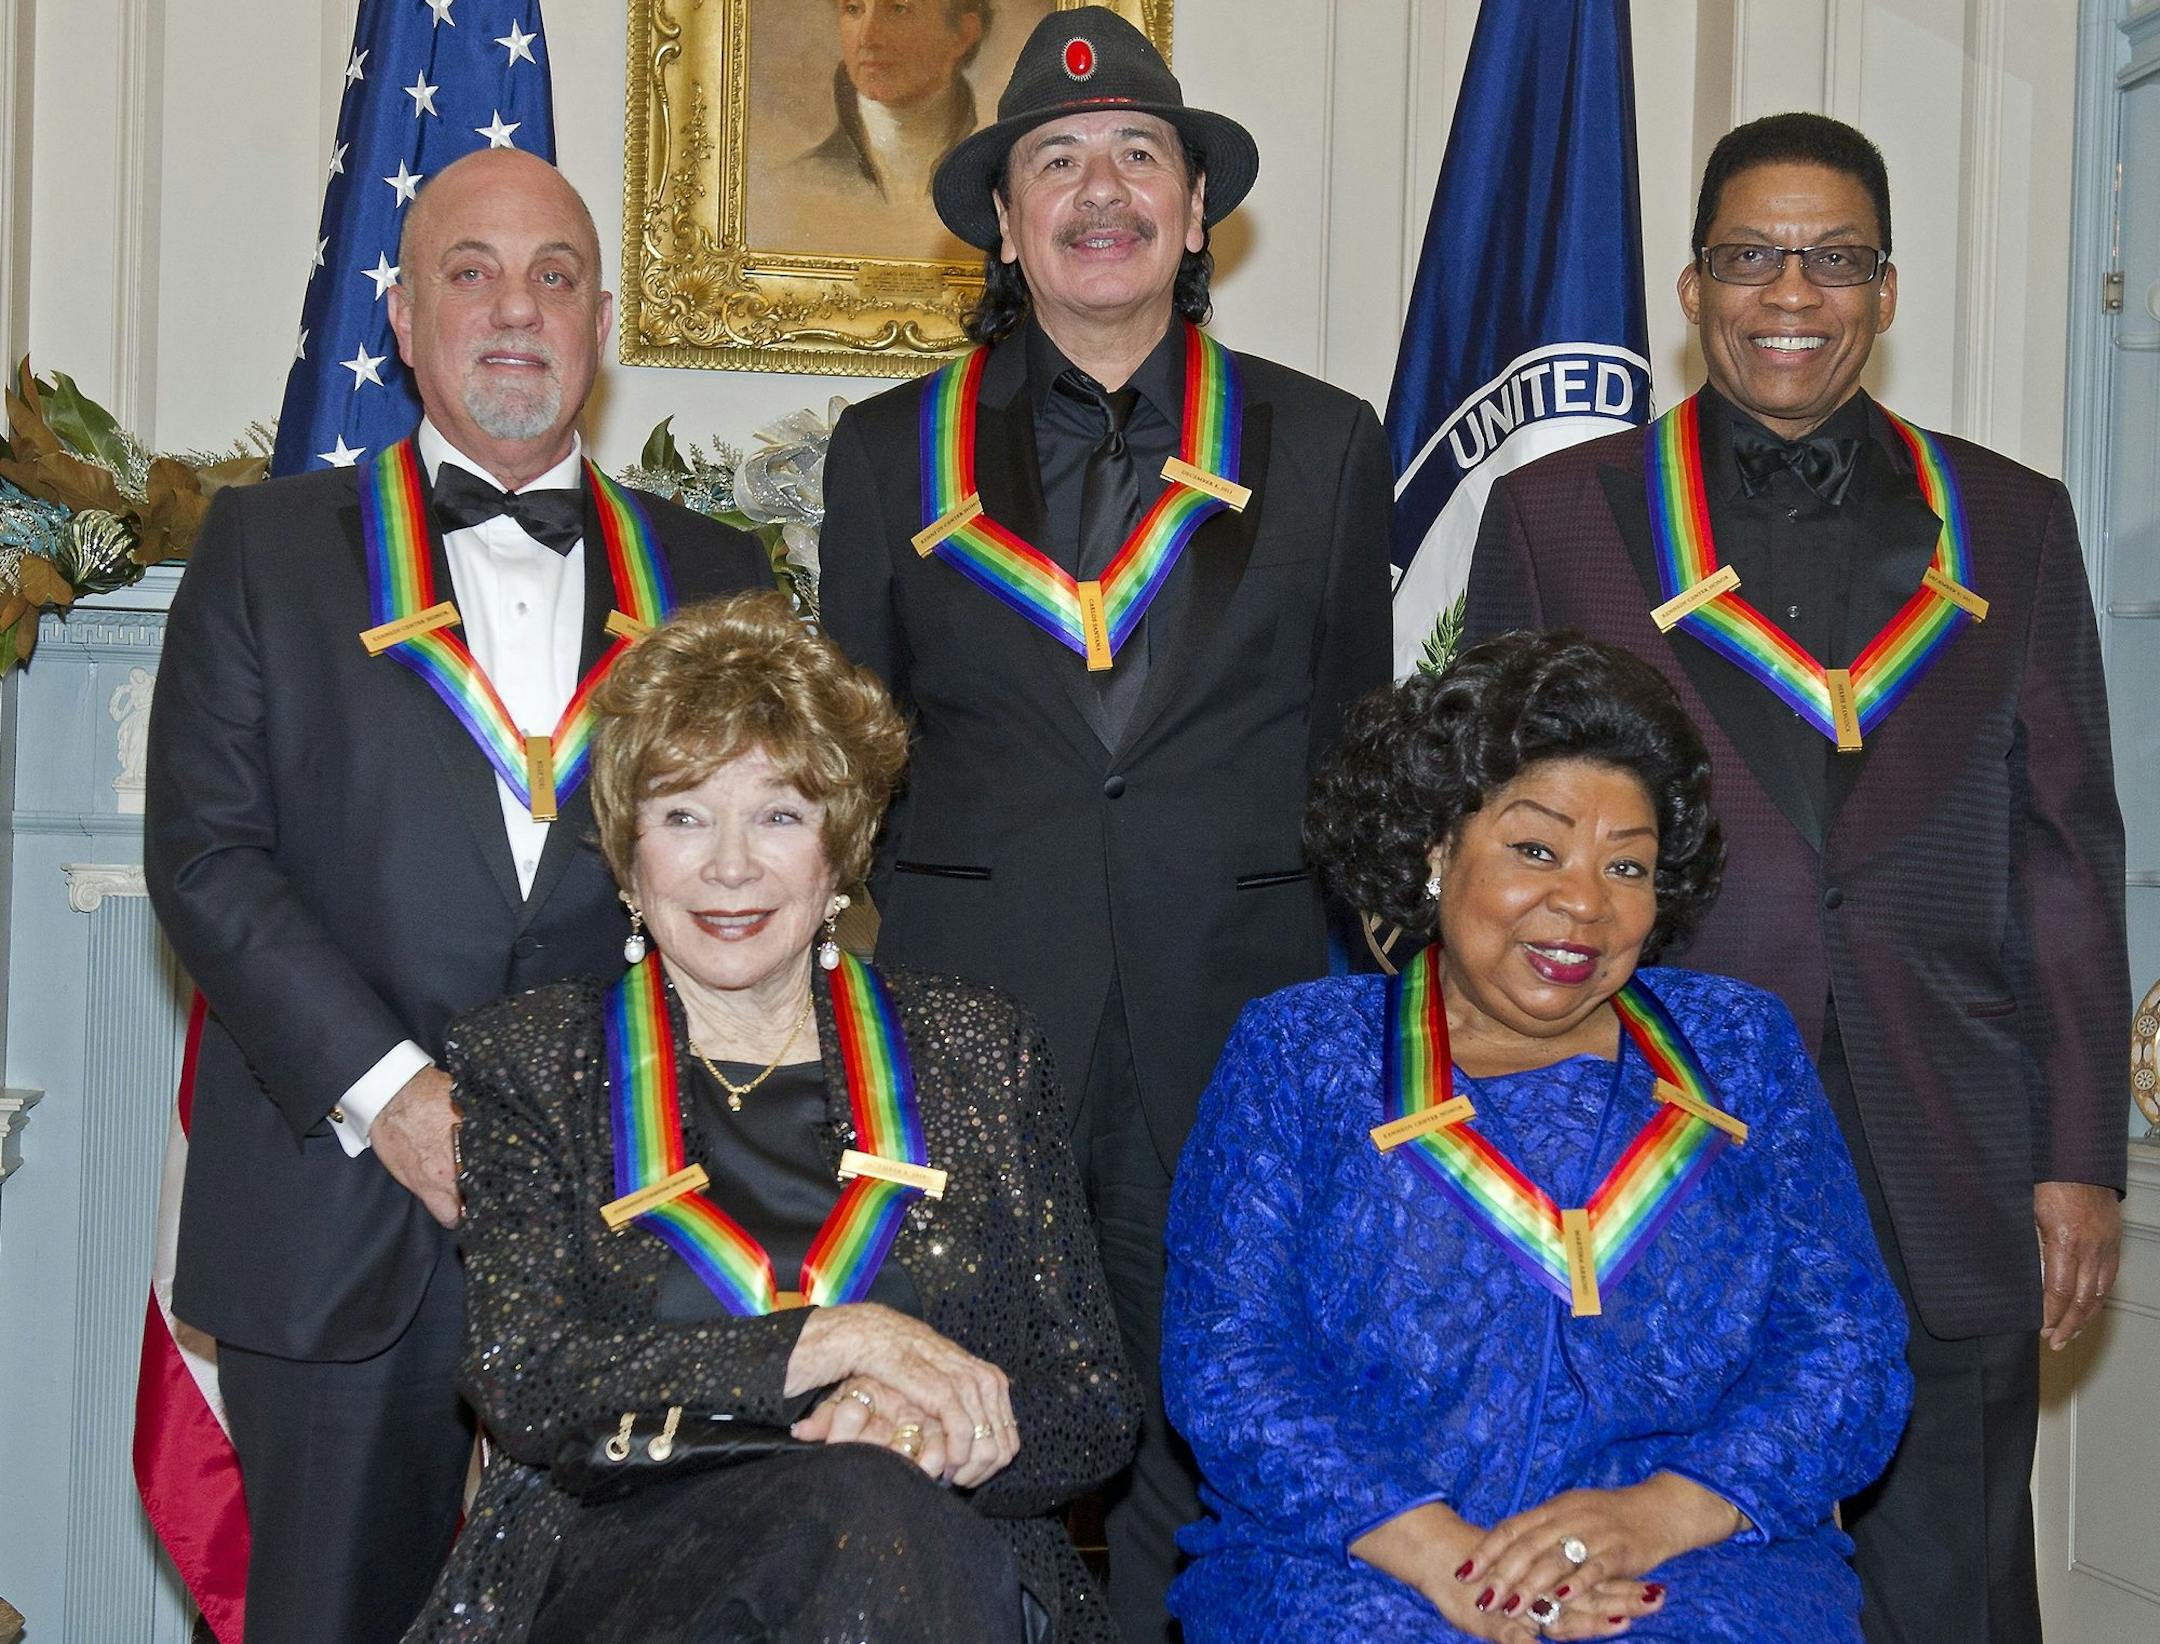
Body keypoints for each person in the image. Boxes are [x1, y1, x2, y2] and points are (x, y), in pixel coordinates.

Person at [1463, 113, 2127, 1644]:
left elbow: (2067, 857)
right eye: (1753, 255)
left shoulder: (2011, 522)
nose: (1792, 291)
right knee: (1667, 1577)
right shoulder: (1558, 519)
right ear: (1693, 289)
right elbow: (1488, 861)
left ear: (1886, 292)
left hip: (1945, 1130)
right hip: (1642, 1135)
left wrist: (2079, 1148)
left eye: (1835, 260)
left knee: (1951, 1583)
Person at [817, 9, 1394, 1637]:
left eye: (1141, 153)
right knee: (942, 1449)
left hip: (1242, 1025)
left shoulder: (1329, 444)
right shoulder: (886, 453)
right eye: (1055, 161)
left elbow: (1365, 772)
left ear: (1200, 208)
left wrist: (1371, 1051)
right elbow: (844, 788)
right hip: (967, 1040)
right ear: (1004, 222)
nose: (1101, 189)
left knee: (1217, 1458)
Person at [143, 150, 772, 1643]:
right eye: (470, 273)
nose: (515, 309)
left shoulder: (720, 574)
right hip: (341, 1213)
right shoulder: (263, 552)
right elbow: (208, 860)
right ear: (406, 317)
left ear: (601, 324)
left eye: (555, 275)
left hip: (638, 1223)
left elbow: (764, 887)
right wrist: (398, 1099)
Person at [401, 592, 1136, 1643]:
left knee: (877, 1515)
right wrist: (832, 1343)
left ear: (839, 849)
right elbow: (528, 1377)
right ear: (628, 854)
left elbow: (1093, 1402)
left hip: (929, 1555)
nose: (731, 866)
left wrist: (928, 1435)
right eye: (684, 815)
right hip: (630, 1566)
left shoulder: (978, 1055)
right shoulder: (531, 1063)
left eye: (779, 815)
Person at [1162, 632, 1912, 1644]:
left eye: (1629, 866)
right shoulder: (1298, 1053)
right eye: (1534, 849)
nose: (1585, 905)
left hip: (1690, 1565)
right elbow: (1228, 1363)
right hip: (1361, 1558)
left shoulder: (1742, 1048)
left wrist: (1651, 1519)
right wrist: (1449, 1560)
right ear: (1437, 851)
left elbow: (1848, 1348)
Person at [795, 0, 991, 208]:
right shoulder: (801, 183)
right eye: (852, 9)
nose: (867, 38)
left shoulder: (996, 174)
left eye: (898, 8)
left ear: (962, 35)